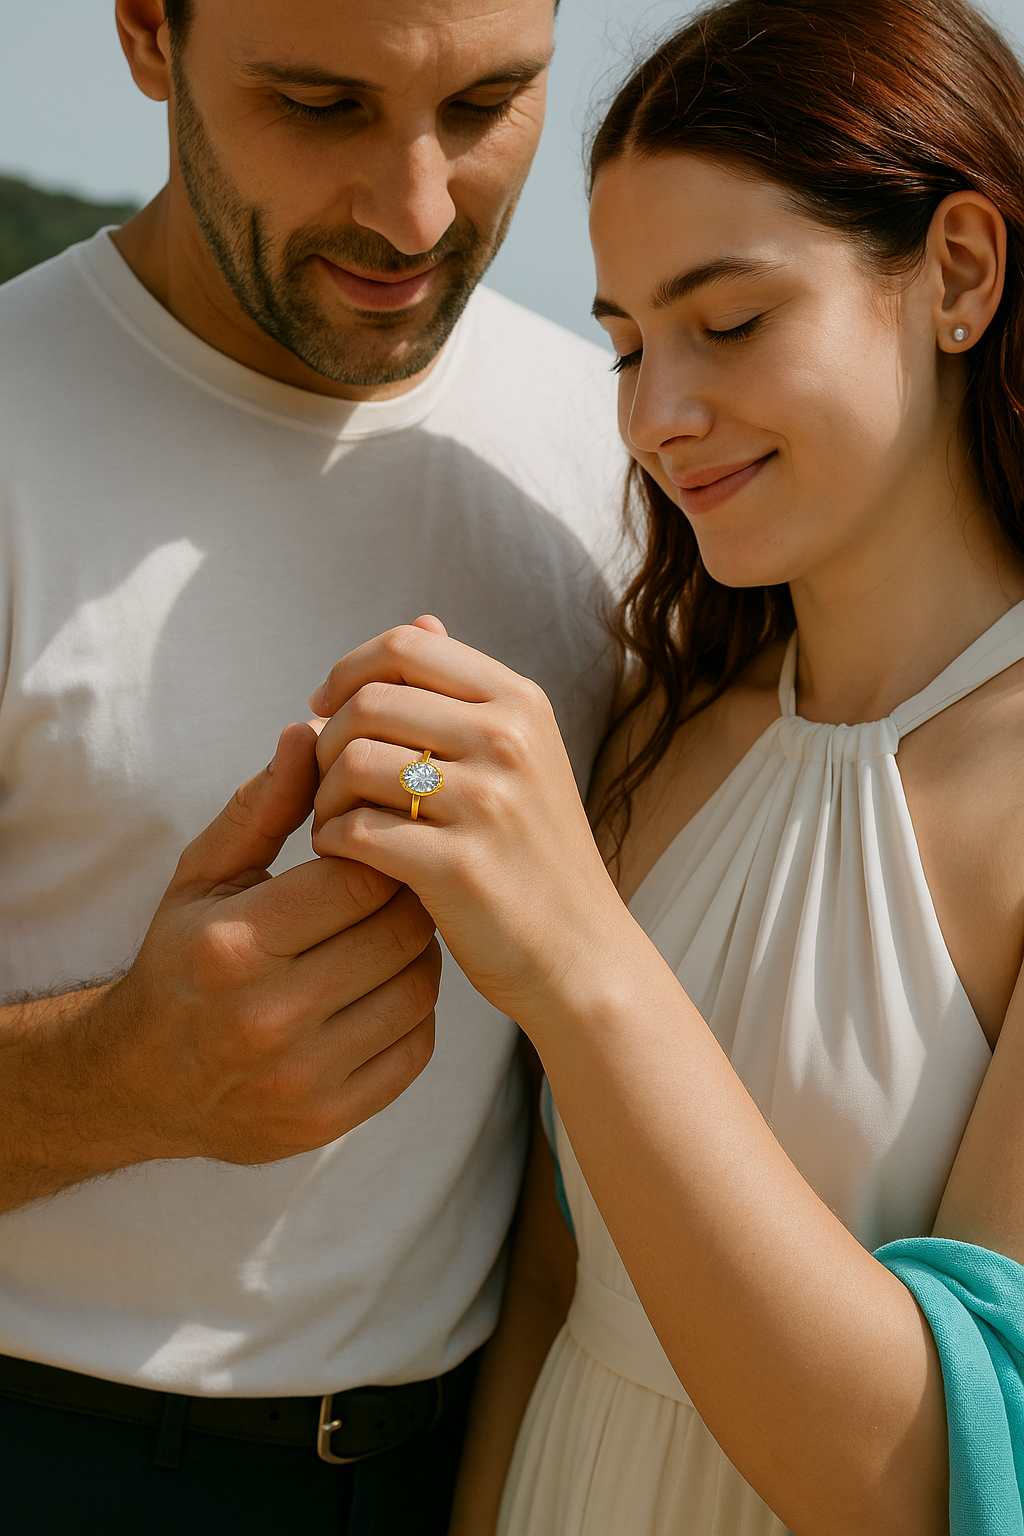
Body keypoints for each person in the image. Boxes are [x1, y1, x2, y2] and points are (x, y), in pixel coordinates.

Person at [305, 1, 1024, 1532]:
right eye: (627, 341)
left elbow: (921, 1487)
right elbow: (559, 1276)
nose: (655, 417)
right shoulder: (664, 728)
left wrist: (577, 959)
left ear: (957, 272)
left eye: (732, 321)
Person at [0, 0, 623, 1531]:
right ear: (150, 33)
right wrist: (112, 1081)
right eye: (321, 106)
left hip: (482, 1460)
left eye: (486, 103)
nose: (416, 213)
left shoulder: (641, 454)